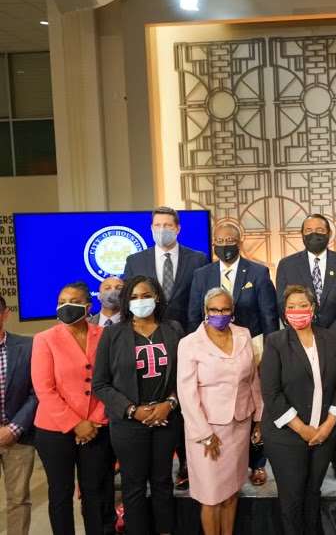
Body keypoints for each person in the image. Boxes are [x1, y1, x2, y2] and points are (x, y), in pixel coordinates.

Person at [187, 222, 278, 486]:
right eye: (220, 240)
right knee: (222, 403)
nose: (225, 245)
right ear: (213, 243)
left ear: (239, 242)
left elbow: (269, 315)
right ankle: (223, 456)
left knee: (254, 402)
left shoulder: (258, 272)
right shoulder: (202, 274)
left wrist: (270, 351)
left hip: (252, 347)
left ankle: (257, 462)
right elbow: (194, 313)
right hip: (212, 348)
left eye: (230, 240)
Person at [123, 206, 207, 490]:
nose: (162, 230)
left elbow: (200, 301)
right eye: (157, 225)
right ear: (151, 229)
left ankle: (186, 463)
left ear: (178, 228)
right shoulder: (136, 260)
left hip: (187, 339)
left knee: (186, 400)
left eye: (168, 225)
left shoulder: (198, 259)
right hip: (147, 340)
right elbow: (128, 302)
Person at [92, 276, 183, 535]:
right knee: (133, 486)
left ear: (157, 297)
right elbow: (100, 384)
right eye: (133, 297)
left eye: (145, 296)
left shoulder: (173, 329)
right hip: (129, 424)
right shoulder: (112, 334)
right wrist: (132, 410)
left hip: (166, 419)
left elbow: (186, 375)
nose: (140, 301)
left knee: (163, 482)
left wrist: (170, 403)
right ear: (126, 301)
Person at [275, 213, 336, 481]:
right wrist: (306, 334)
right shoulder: (287, 265)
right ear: (301, 234)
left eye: (320, 230)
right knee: (304, 398)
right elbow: (283, 305)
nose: (314, 234)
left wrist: (328, 338)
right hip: (299, 347)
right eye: (308, 229)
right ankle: (306, 447)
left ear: (329, 233)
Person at [262, 285, 336, 535]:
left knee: (313, 493)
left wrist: (328, 424)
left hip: (324, 433)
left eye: (302, 305)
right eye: (291, 307)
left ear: (312, 308)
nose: (297, 310)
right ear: (284, 312)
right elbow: (271, 393)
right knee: (292, 498)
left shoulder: (329, 338)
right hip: (286, 436)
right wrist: (302, 429)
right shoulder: (275, 342)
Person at [32, 281, 115, 535]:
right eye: (62, 302)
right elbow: (44, 388)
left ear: (88, 306)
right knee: (61, 492)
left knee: (95, 491)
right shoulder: (44, 339)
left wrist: (95, 420)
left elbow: (111, 381)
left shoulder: (105, 336)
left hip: (97, 427)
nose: (66, 306)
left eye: (74, 302)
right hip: (54, 430)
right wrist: (76, 423)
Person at [178, 288, 263, 535]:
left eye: (225, 309)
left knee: (231, 492)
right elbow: (187, 393)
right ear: (205, 311)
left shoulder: (243, 334)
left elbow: (253, 380)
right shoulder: (189, 343)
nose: (220, 314)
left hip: (240, 424)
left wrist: (259, 418)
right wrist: (205, 434)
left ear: (232, 311)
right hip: (207, 430)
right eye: (214, 310)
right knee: (211, 497)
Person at [0, 296, 38, 535]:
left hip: (18, 437)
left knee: (18, 500)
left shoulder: (28, 346)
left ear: (5, 314)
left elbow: (37, 392)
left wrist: (14, 428)